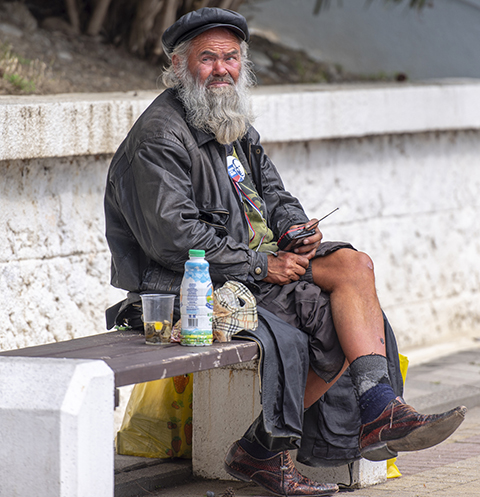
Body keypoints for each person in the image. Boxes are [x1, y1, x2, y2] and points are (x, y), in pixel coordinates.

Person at [104, 8, 466, 497]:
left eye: (229, 58)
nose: (220, 69)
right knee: (330, 317)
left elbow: (274, 194)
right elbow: (172, 238)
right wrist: (262, 264)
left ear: (242, 64)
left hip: (253, 265)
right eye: (206, 58)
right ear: (177, 65)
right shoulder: (160, 136)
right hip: (187, 283)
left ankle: (380, 409)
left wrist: (294, 226)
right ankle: (264, 448)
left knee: (355, 267)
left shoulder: (231, 125)